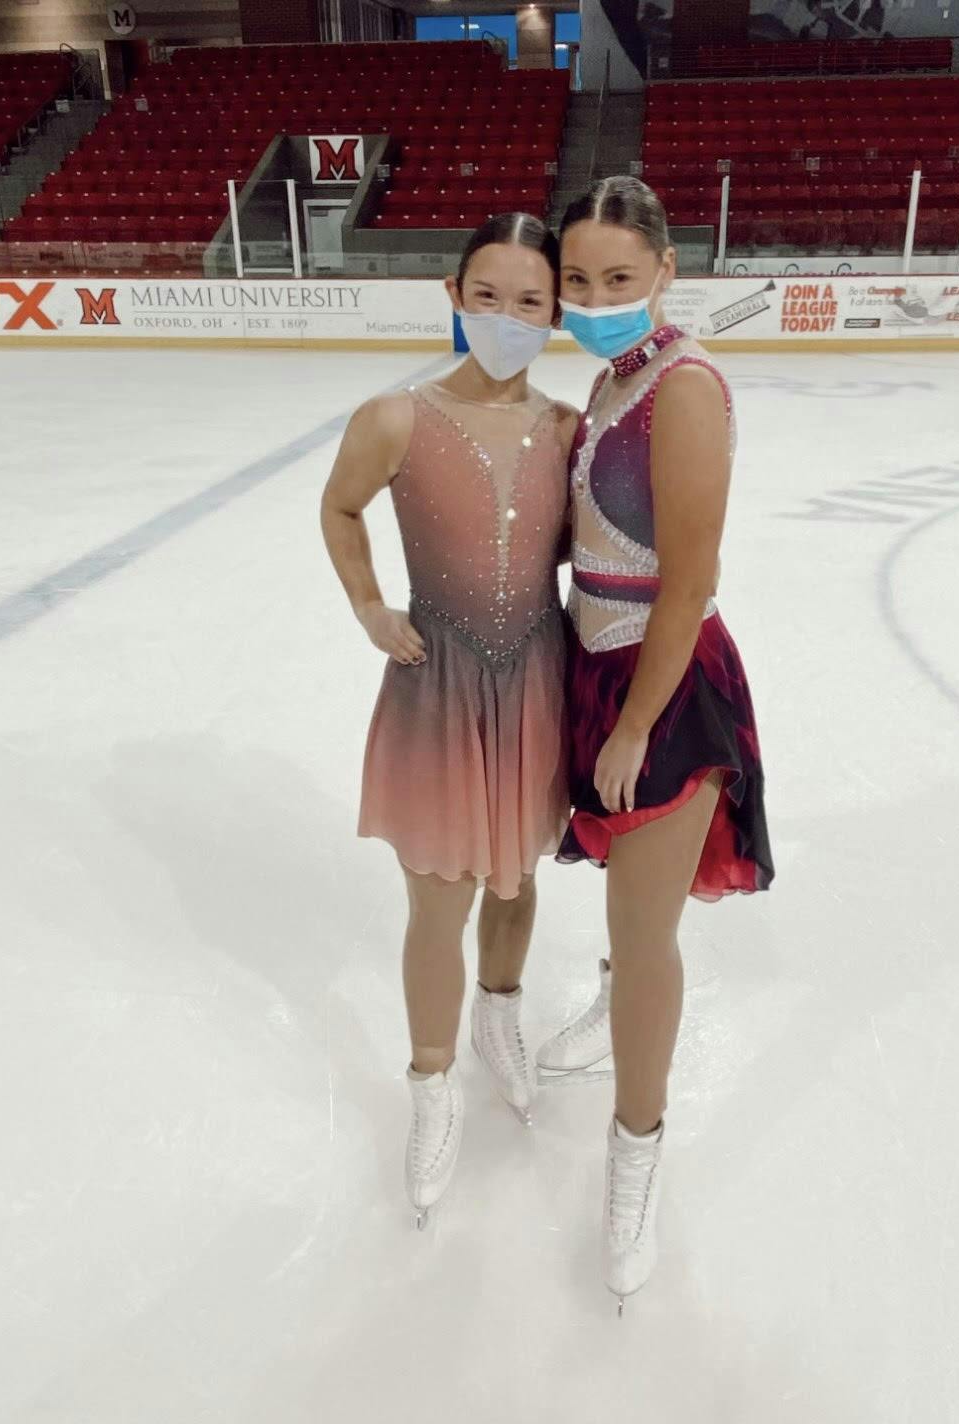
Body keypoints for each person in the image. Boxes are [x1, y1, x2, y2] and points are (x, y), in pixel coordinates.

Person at [319, 212, 579, 1228]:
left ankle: (499, 1016)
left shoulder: (566, 427)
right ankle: (431, 1085)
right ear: (454, 296)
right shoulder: (394, 418)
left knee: (516, 873)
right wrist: (370, 605)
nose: (508, 317)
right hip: (437, 686)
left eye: (530, 301)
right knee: (440, 897)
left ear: (555, 312)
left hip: (538, 687)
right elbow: (340, 508)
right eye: (489, 296)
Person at [549, 176, 774, 1312]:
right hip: (596, 662)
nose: (595, 299)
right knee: (626, 904)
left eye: (619, 280)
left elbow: (692, 579)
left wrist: (637, 719)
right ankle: (606, 996)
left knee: (648, 932)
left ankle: (634, 1155)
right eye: (578, 281)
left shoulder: (683, 389)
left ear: (668, 271)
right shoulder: (608, 374)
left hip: (663, 682)